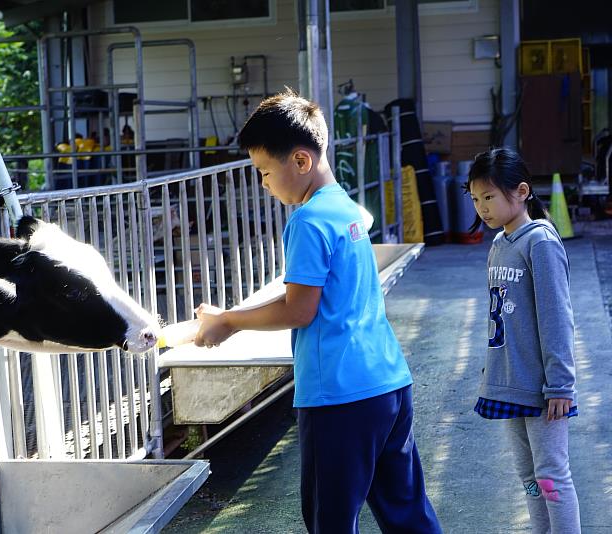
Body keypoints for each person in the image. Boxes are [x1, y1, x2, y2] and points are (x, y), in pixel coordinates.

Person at [193, 89, 441, 533]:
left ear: (301, 161)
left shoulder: (306, 222)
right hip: (387, 382)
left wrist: (227, 321)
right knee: (407, 514)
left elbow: (298, 310)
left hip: (339, 397)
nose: (264, 183)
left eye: (265, 172)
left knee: (331, 522)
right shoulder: (346, 207)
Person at [467, 148, 581, 533]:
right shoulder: (500, 243)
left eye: (489, 197)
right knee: (530, 477)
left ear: (521, 192)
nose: (482, 207)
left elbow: (557, 318)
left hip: (542, 388)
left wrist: (560, 385)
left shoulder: (541, 243)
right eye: (476, 199)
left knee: (551, 477)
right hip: (510, 382)